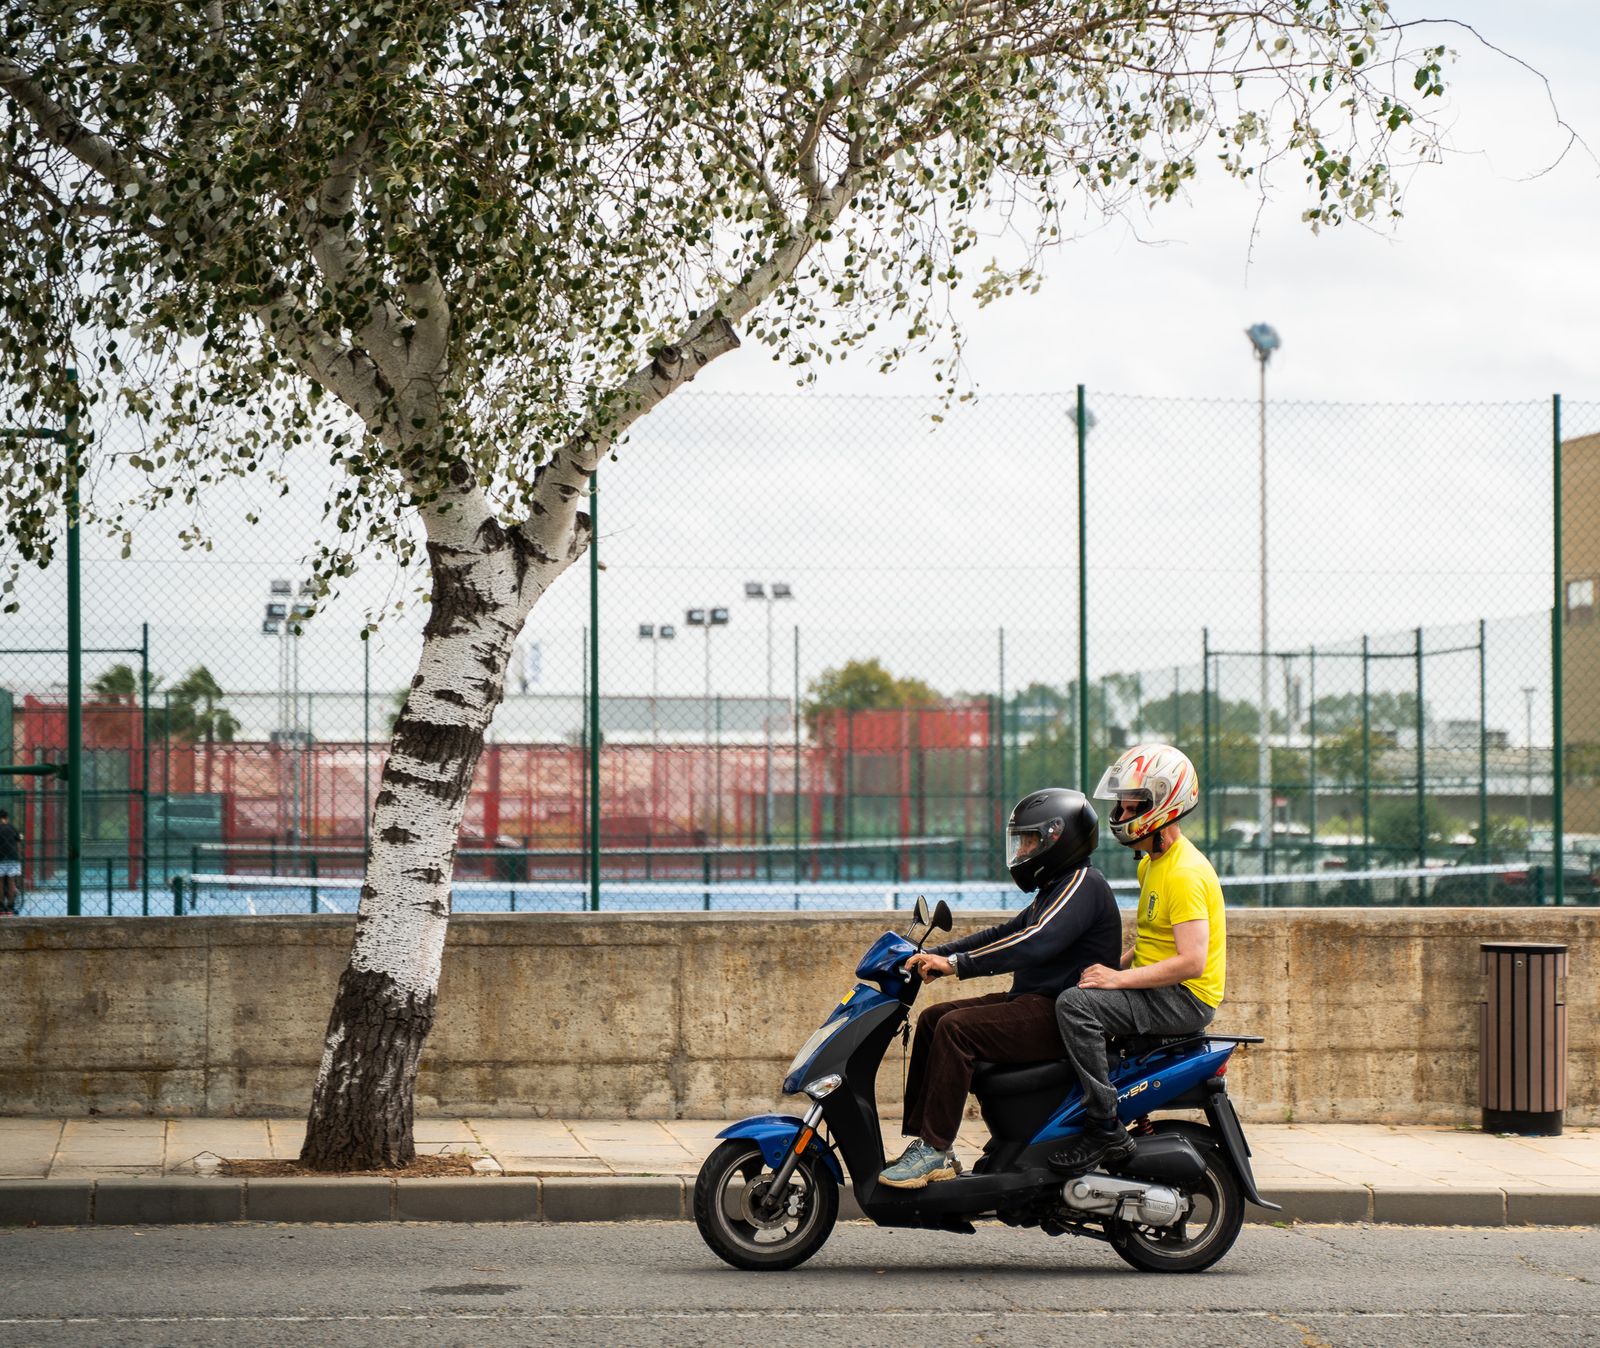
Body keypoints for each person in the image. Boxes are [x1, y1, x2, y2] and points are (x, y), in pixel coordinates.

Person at [878, 787, 1122, 1189]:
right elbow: (1005, 932)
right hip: (1034, 1002)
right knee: (935, 1018)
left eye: (1030, 840)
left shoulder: (1083, 885)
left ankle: (935, 1150)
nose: (1023, 850)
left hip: (1059, 1012)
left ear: (1057, 839)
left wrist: (956, 966)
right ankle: (928, 1143)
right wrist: (937, 955)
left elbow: (1032, 941)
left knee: (957, 1030)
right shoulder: (1059, 887)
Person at [1049, 743, 1226, 1175]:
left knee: (1075, 1006)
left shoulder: (1184, 874)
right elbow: (1152, 941)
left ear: (1163, 805)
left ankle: (1103, 1126)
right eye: (1124, 804)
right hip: (1165, 988)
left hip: (1185, 997)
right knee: (1078, 986)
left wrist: (1116, 981)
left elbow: (1191, 962)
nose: (1122, 813)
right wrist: (1112, 965)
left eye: (1132, 805)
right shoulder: (1152, 864)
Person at [0, 809, 22, 916]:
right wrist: (18, 856)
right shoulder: (13, 828)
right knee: (11, 882)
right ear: (6, 818)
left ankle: (0, 907)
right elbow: (18, 844)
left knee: (0, 882)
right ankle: (10, 907)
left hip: (0, 858)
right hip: (13, 858)